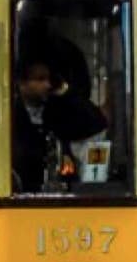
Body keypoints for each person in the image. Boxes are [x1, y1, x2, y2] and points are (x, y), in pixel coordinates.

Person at [12, 56, 108, 193]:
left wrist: (65, 91)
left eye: (48, 79)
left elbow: (96, 122)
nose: (47, 85)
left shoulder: (57, 110)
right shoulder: (11, 116)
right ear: (22, 84)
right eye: (40, 79)